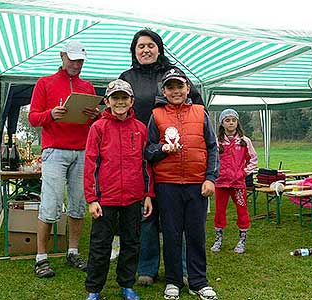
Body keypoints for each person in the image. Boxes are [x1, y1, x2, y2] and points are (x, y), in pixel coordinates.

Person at [119, 29, 204, 285]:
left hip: (174, 154)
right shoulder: (127, 77)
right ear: (134, 51)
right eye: (140, 46)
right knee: (146, 212)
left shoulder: (173, 74)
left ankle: (182, 270)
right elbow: (116, 106)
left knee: (176, 215)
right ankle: (147, 267)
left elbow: (198, 107)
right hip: (139, 154)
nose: (146, 50)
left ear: (159, 48)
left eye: (150, 45)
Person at [145, 68, 219, 300]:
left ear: (188, 88)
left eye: (180, 86)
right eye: (170, 87)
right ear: (164, 91)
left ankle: (199, 281)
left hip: (197, 184)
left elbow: (212, 147)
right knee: (171, 234)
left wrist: (210, 178)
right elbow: (147, 150)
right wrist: (162, 149)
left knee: (196, 234)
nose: (175, 91)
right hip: (167, 185)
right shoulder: (156, 115)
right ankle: (173, 281)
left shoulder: (200, 112)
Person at [29, 40, 100, 278]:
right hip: (54, 151)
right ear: (62, 56)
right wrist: (50, 114)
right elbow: (33, 118)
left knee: (79, 205)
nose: (76, 64)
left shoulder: (87, 86)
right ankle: (41, 257)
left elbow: (92, 124)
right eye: (72, 59)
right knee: (50, 204)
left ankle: (73, 252)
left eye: (80, 60)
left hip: (82, 151)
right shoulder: (44, 83)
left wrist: (95, 116)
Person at [84, 79, 154, 300]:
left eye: (125, 98)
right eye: (116, 98)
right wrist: (92, 199)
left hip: (133, 198)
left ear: (132, 101)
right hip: (105, 199)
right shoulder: (98, 128)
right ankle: (94, 289)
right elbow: (90, 164)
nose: (120, 102)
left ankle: (127, 285)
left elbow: (146, 165)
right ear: (107, 101)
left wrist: (148, 194)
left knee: (131, 244)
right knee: (100, 246)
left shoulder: (140, 128)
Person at [211, 109, 257, 254]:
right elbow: (211, 159)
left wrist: (243, 172)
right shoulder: (217, 141)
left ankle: (242, 240)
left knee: (242, 211)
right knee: (219, 212)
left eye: (233, 120)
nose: (231, 123)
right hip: (221, 183)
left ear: (237, 122)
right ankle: (218, 239)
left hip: (238, 183)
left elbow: (253, 160)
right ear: (222, 123)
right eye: (227, 120)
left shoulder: (244, 141)